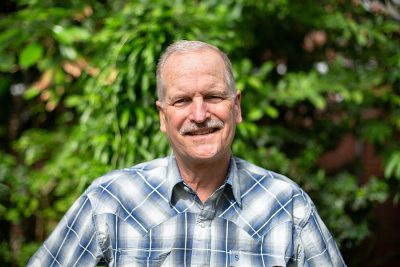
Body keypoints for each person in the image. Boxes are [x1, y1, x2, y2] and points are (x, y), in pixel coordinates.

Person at [28, 40, 346, 266]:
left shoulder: (287, 206)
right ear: (163, 117)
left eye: (213, 96)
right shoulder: (111, 199)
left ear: (236, 107)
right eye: (181, 101)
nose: (199, 114)